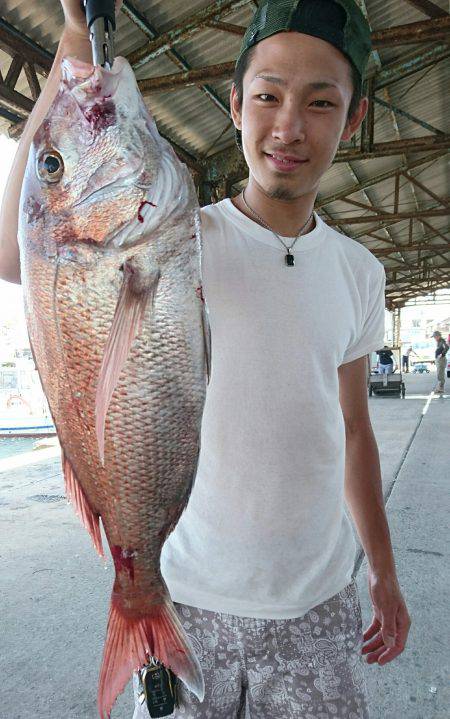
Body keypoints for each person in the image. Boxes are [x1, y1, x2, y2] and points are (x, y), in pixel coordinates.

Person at [0, 1, 411, 717]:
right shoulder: (177, 236)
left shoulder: (358, 272)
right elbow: (20, 249)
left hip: (315, 606)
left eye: (320, 103)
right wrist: (73, 43)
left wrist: (382, 568)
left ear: (353, 120)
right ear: (234, 104)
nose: (288, 126)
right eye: (268, 96)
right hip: (183, 596)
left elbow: (352, 429)